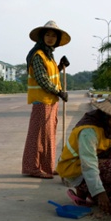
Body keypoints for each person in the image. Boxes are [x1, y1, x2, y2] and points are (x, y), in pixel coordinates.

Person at [56, 88, 111, 216]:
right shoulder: (89, 131)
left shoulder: (106, 126)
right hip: (75, 169)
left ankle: (90, 191)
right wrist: (100, 193)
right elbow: (88, 164)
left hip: (91, 161)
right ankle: (86, 191)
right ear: (107, 113)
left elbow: (105, 143)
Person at [22, 20, 71, 179]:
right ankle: (33, 168)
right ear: (42, 37)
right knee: (38, 136)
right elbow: (42, 79)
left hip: (51, 101)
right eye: (47, 35)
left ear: (57, 40)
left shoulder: (49, 56)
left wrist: (60, 66)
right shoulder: (38, 55)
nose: (50, 38)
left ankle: (47, 167)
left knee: (49, 135)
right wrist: (59, 92)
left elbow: (50, 75)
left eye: (53, 36)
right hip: (41, 101)